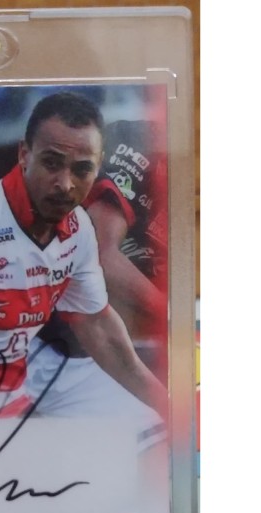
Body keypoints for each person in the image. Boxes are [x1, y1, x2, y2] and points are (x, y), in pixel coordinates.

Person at [0, 92, 166, 423]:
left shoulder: (77, 230)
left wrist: (173, 407)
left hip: (20, 406)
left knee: (154, 428)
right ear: (24, 154)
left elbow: (96, 324)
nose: (65, 184)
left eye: (82, 169)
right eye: (52, 163)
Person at [26, 118, 168, 422]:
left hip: (101, 361)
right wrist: (175, 316)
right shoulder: (140, 142)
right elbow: (103, 257)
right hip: (37, 343)